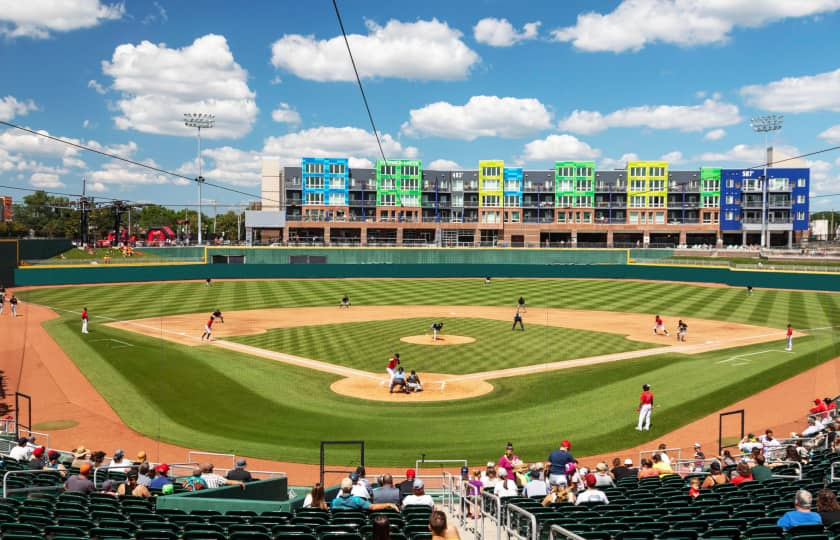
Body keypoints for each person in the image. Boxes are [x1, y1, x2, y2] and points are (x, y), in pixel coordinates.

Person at [332, 477, 399, 511]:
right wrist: (388, 504)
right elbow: (373, 507)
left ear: (341, 488)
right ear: (351, 488)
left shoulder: (334, 502)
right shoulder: (357, 500)